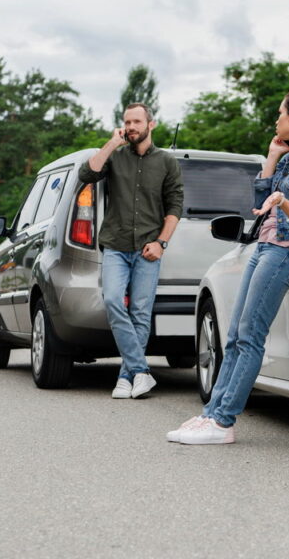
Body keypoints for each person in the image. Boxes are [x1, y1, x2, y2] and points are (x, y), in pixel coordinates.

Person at [168, 87, 289, 445]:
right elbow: (259, 207)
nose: (276, 119)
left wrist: (285, 203)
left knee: (250, 337)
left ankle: (223, 422)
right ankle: (212, 414)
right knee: (235, 335)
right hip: (264, 246)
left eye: (280, 113)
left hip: (285, 253)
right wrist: (272, 159)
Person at [79, 103, 184, 399]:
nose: (131, 126)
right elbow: (87, 174)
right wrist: (112, 142)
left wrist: (161, 243)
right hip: (116, 245)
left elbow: (175, 206)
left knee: (140, 312)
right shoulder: (115, 157)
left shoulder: (166, 162)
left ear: (151, 124)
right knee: (112, 300)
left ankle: (126, 377)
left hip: (149, 248)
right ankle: (141, 371)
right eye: (127, 121)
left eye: (137, 121)